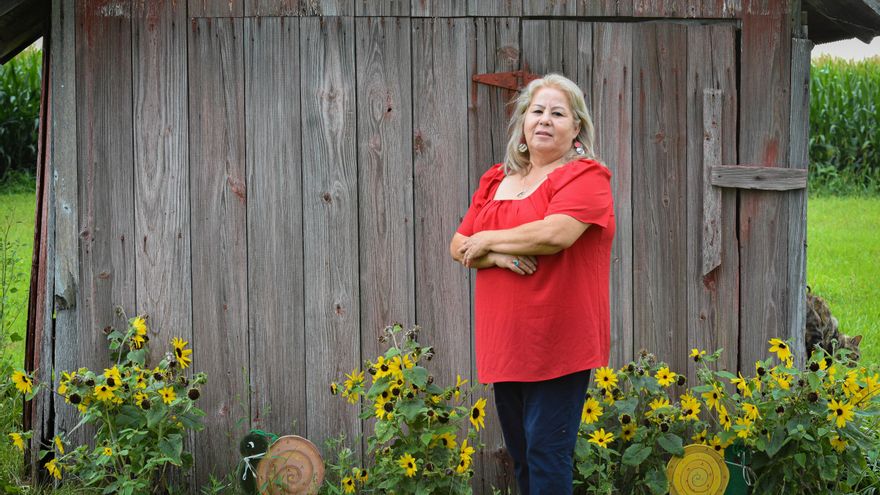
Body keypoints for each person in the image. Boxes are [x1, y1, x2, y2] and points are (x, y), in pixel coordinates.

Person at [449, 73, 614, 495]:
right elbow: (457, 244)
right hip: (507, 343)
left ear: (576, 128)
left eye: (558, 113)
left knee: (546, 454)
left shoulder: (586, 178)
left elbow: (554, 235)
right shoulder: (495, 181)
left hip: (558, 342)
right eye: (537, 111)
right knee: (522, 454)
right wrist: (497, 254)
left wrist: (484, 240)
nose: (545, 120)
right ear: (523, 122)